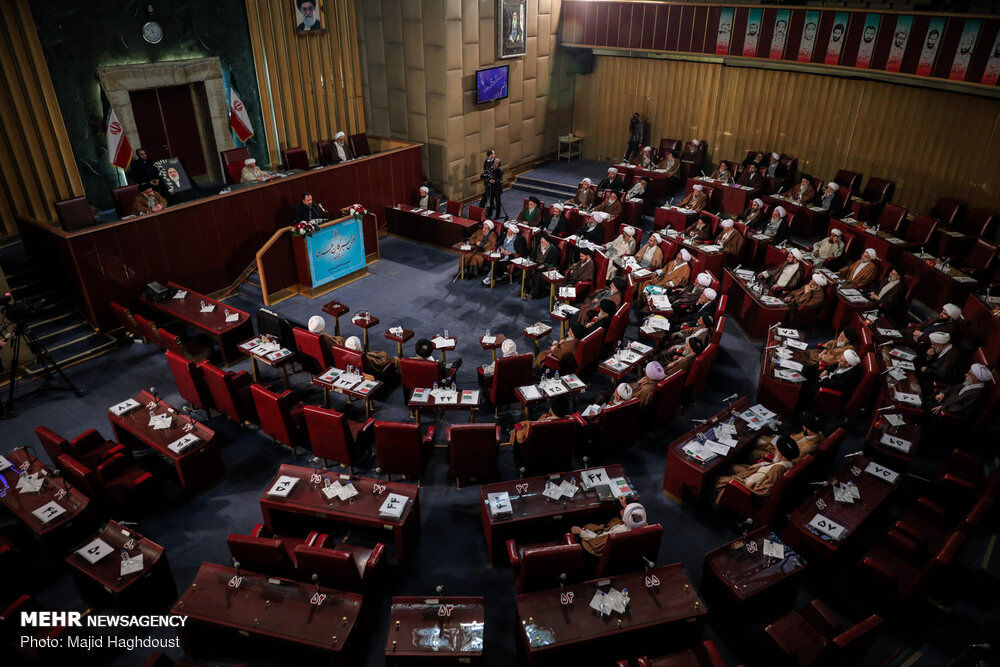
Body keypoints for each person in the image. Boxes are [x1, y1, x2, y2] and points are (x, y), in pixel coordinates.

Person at [713, 435, 799, 508]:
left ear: (781, 454)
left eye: (776, 450)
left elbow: (764, 491)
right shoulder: (787, 462)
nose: (774, 451)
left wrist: (743, 485)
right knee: (733, 467)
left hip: (748, 485)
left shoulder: (778, 469)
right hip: (755, 475)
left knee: (718, 480)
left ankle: (715, 505)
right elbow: (774, 463)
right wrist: (761, 465)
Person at [536, 304, 613, 369]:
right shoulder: (574, 340)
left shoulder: (572, 345)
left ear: (574, 334)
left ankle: (538, 371)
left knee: (542, 355)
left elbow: (562, 354)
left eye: (570, 330)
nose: (569, 331)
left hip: (561, 362)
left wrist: (554, 347)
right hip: (564, 352)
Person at [571, 496, 647, 556]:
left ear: (627, 519)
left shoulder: (618, 534)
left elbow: (597, 542)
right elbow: (634, 517)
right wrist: (625, 505)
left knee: (588, 526)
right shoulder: (644, 525)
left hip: (602, 545)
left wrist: (581, 532)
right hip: (627, 549)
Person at [748, 413, 825, 461]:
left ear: (806, 428)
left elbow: (791, 459)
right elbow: (792, 438)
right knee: (760, 439)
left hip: (782, 454)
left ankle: (743, 461)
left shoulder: (809, 447)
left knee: (755, 453)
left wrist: (778, 448)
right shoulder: (816, 433)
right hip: (783, 444)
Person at [485, 223, 529, 287]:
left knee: (496, 263)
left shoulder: (519, 239)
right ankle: (494, 277)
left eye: (510, 233)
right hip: (501, 253)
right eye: (508, 231)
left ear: (514, 233)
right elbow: (499, 243)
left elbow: (523, 252)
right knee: (491, 259)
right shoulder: (505, 235)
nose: (508, 234)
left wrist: (511, 253)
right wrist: (501, 248)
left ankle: (489, 278)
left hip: (510, 257)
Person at [523, 234, 561, 299]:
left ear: (548, 243)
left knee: (537, 276)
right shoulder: (538, 247)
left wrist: (544, 265)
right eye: (540, 242)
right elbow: (532, 256)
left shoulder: (554, 250)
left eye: (543, 242)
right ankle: (527, 291)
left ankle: (534, 294)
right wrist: (532, 263)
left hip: (546, 267)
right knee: (528, 272)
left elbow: (554, 263)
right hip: (536, 265)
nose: (541, 244)